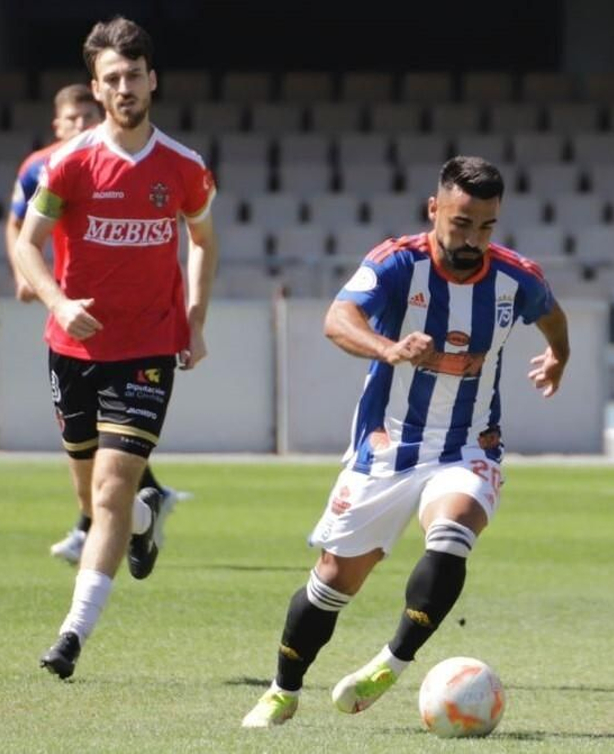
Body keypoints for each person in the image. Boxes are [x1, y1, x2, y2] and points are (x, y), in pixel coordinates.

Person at [240, 156, 569, 727]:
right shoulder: (396, 264)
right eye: (462, 223)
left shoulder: (517, 278)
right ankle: (282, 689)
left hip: (470, 445)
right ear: (434, 209)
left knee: (453, 528)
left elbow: (553, 316)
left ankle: (392, 661)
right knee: (334, 581)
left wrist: (559, 356)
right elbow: (338, 319)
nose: (473, 239)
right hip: (387, 448)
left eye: (487, 226)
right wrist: (387, 348)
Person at [10, 15, 219, 680]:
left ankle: (72, 635)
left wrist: (194, 316)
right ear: (95, 91)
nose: (124, 87)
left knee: (109, 489)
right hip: (71, 351)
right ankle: (143, 522)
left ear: (152, 80)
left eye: (133, 75)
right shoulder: (67, 164)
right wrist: (59, 303)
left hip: (148, 349)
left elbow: (204, 242)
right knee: (90, 493)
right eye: (111, 79)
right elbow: (26, 244)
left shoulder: (185, 168)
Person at [4, 82, 186, 568]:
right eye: (73, 119)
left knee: (115, 448)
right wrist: (32, 281)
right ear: (57, 124)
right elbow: (19, 230)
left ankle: (101, 526)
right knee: (86, 454)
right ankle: (132, 511)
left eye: (89, 116)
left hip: (132, 332)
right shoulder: (42, 168)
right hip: (68, 320)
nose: (83, 125)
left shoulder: (137, 161)